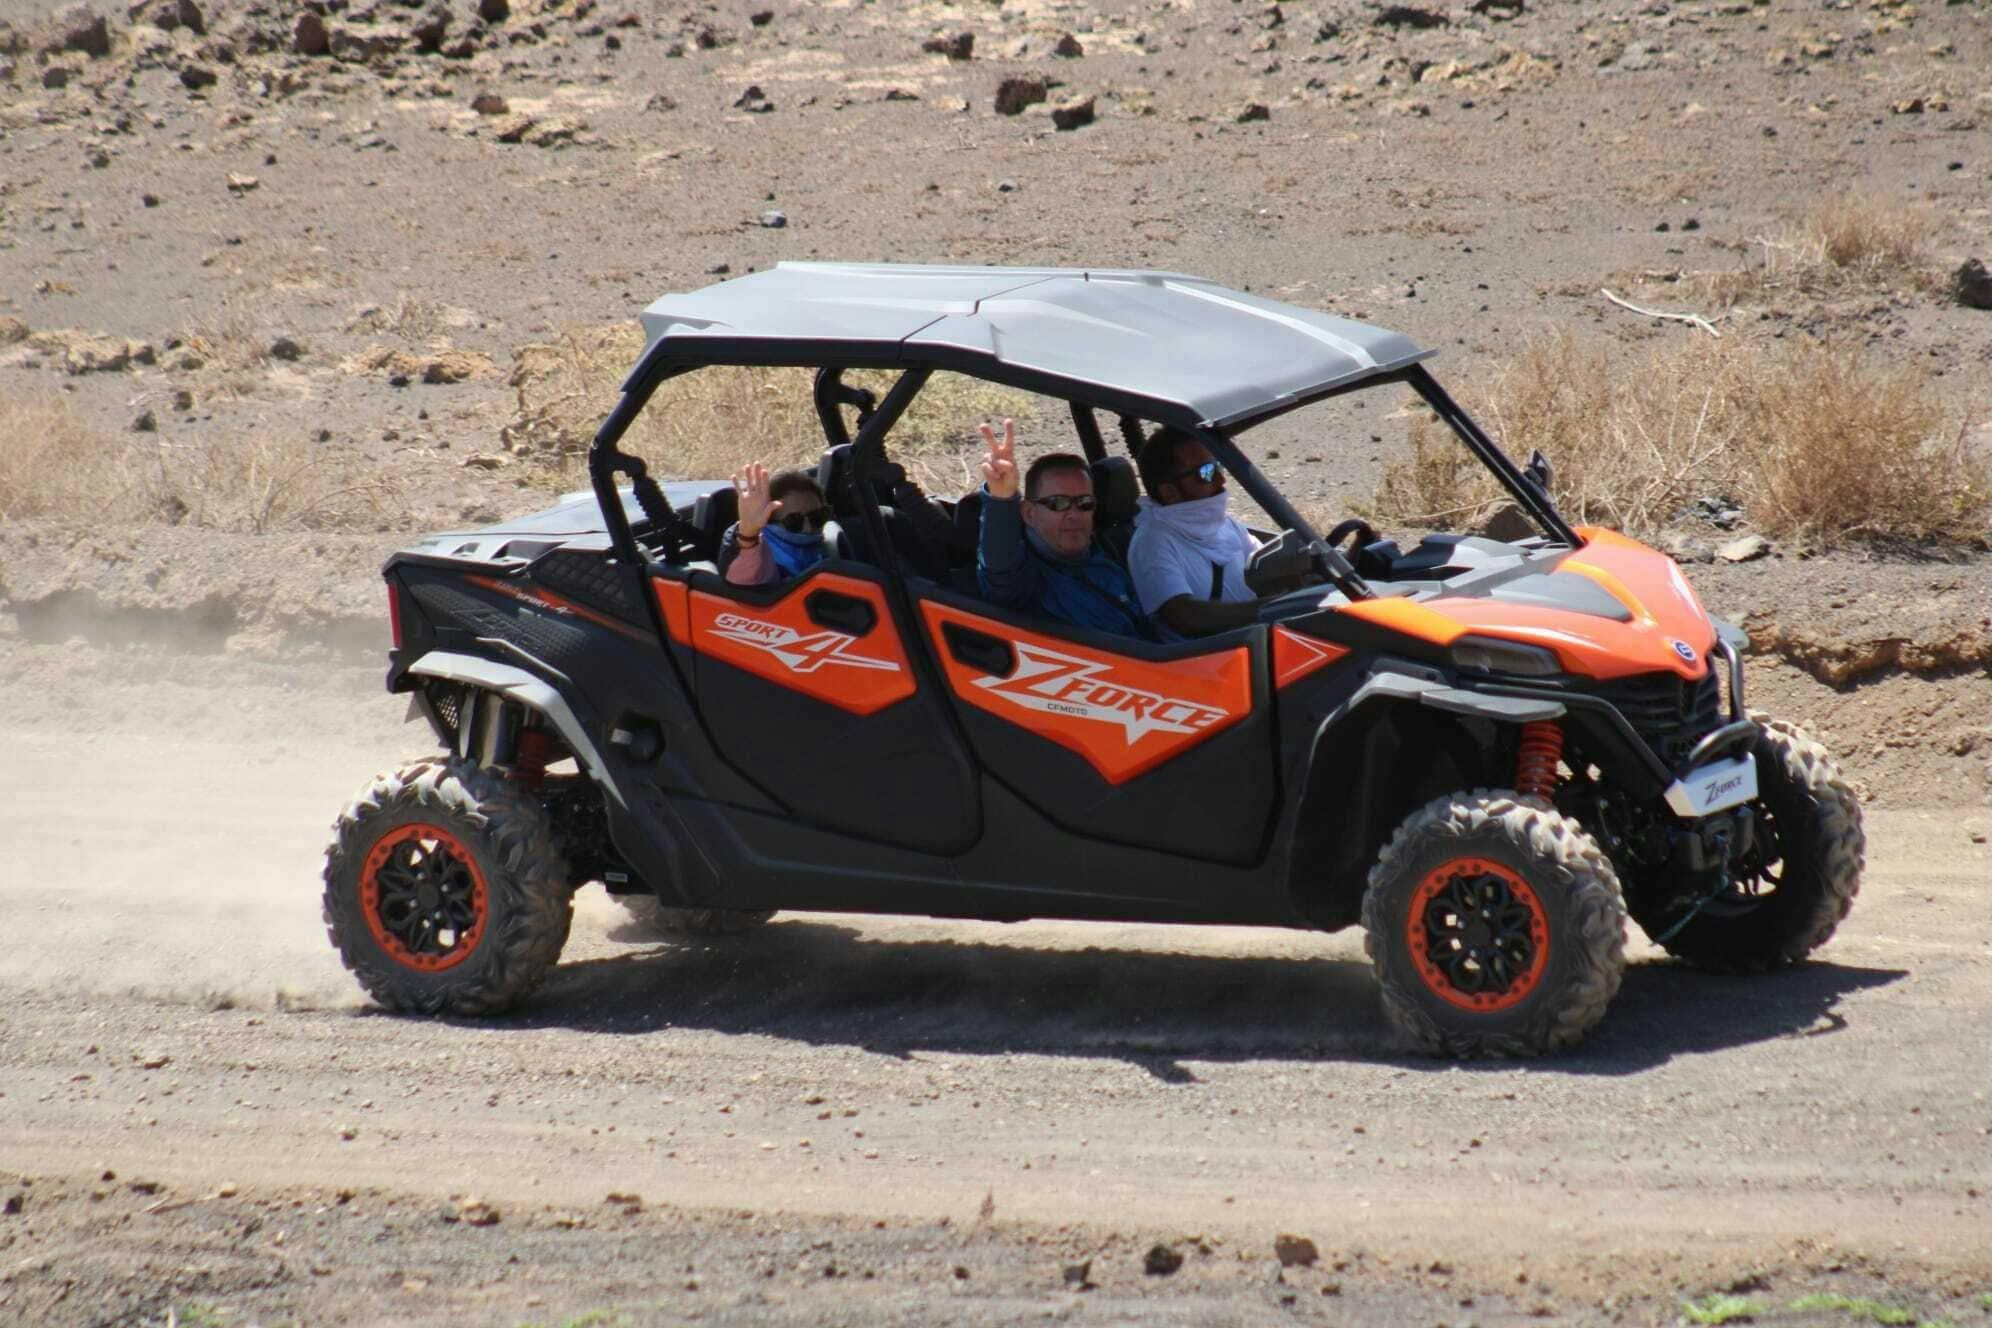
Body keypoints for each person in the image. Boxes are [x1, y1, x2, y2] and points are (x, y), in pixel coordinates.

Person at [975, 419, 1158, 640]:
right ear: (1029, 513)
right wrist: (1002, 500)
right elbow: (999, 568)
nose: (1074, 515)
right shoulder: (1026, 580)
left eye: (1084, 503)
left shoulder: (1110, 555)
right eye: (1058, 503)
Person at [1126, 425, 1266, 638]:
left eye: (1217, 467)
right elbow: (1187, 616)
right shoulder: (1152, 542)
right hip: (1213, 661)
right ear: (1169, 492)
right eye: (1206, 472)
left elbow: (1270, 566)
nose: (1221, 480)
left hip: (1259, 642)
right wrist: (1270, 608)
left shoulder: (1225, 525)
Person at [718, 463, 831, 586]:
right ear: (768, 523)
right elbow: (744, 583)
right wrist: (748, 534)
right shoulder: (765, 562)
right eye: (794, 521)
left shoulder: (831, 546)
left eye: (817, 517)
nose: (808, 529)